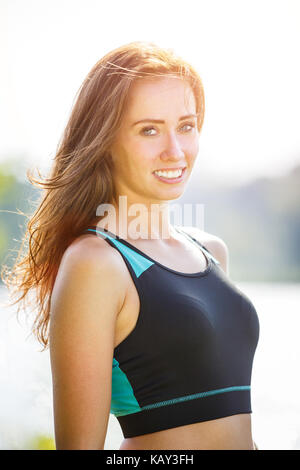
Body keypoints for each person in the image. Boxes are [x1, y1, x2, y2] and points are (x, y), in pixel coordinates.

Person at [2, 41, 260, 450]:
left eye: (187, 126)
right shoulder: (96, 263)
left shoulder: (212, 251)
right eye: (149, 130)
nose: (175, 151)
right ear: (106, 140)